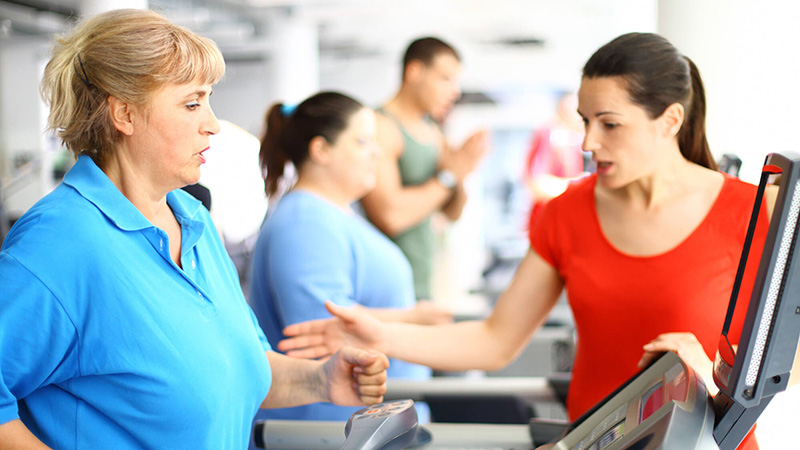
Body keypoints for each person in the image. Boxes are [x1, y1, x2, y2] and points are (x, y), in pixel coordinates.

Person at [278, 32, 781, 449]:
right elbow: (495, 340)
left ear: (669, 120)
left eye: (609, 124)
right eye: (585, 122)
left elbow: (789, 365)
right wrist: (379, 335)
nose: (587, 143)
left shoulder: (751, 211)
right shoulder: (569, 212)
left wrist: (716, 373)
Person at [0, 9, 388, 450]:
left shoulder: (193, 218)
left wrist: (320, 380)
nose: (213, 124)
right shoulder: (60, 243)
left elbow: (237, 367)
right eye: (191, 103)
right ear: (124, 114)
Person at [249, 92, 451, 423]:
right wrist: (414, 318)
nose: (377, 152)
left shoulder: (334, 215)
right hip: (329, 429)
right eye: (362, 141)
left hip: (367, 423)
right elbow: (319, 332)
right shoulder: (305, 222)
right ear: (321, 150)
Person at [361, 36, 489, 300]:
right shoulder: (380, 125)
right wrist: (449, 177)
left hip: (423, 283)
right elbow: (391, 216)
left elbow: (452, 212)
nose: (454, 91)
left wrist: (462, 170)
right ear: (414, 71)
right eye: (445, 78)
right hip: (384, 289)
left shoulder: (432, 131)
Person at [523, 91, 587, 239]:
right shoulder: (548, 135)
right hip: (547, 229)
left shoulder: (573, 141)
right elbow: (536, 185)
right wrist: (580, 185)